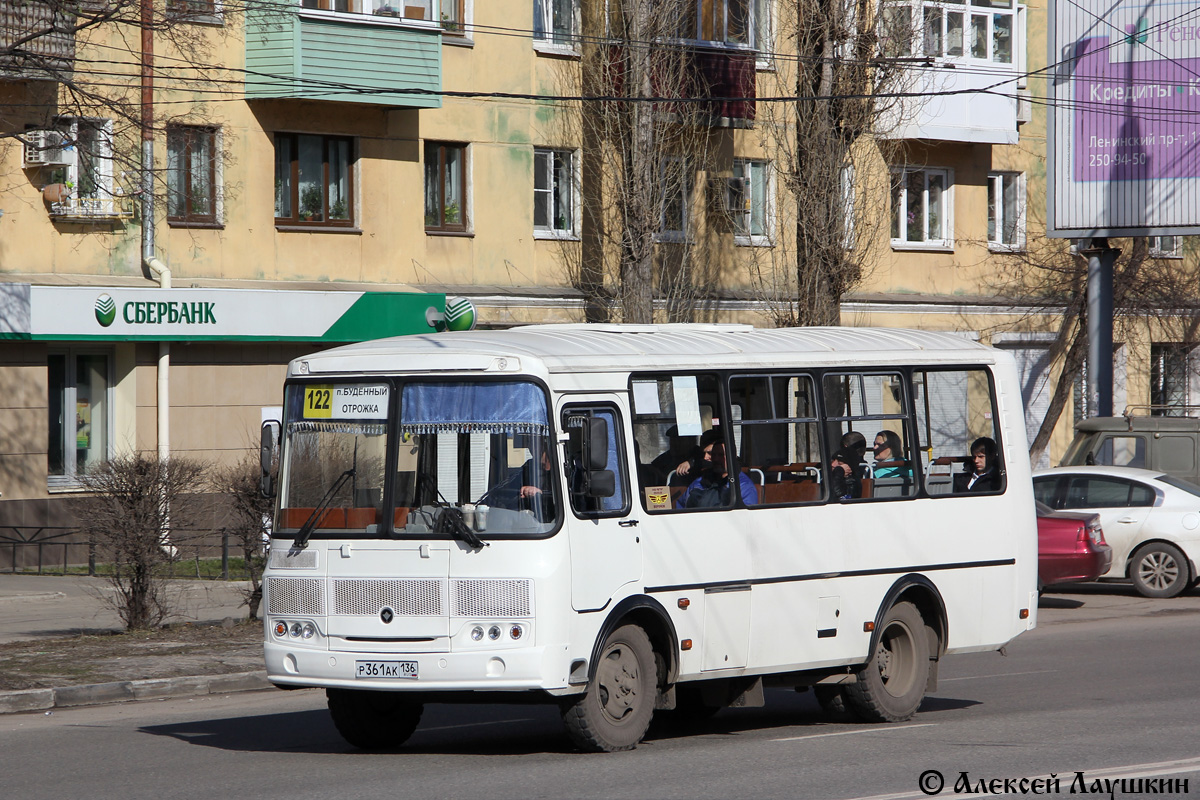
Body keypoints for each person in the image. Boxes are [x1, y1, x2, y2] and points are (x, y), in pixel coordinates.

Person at [676, 429, 758, 509]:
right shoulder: (700, 482)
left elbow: (744, 516)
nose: (716, 459)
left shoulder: (743, 486)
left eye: (721, 455)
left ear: (733, 457)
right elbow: (681, 506)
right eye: (714, 455)